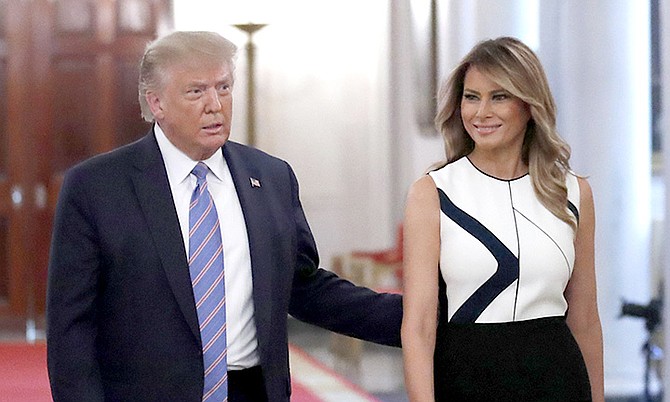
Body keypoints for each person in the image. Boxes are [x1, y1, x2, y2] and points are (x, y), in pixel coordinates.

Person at [46, 31, 402, 402]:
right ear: (157, 103)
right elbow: (71, 328)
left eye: (224, 88)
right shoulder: (97, 187)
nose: (215, 104)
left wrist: (418, 318)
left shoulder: (271, 177)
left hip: (252, 391)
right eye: (196, 92)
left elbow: (302, 287)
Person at [401, 37, 604, 401]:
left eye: (499, 96)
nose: (480, 113)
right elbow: (418, 327)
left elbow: (585, 318)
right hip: (467, 381)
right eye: (471, 96)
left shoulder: (573, 193)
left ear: (529, 104)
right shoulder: (432, 193)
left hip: (557, 381)